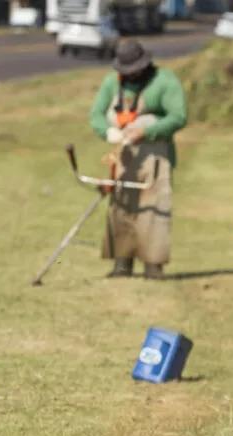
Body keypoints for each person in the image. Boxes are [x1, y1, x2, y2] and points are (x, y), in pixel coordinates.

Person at [89, 39, 187, 280]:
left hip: (155, 154)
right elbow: (96, 114)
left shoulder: (165, 81)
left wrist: (145, 131)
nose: (130, 74)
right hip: (123, 154)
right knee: (121, 207)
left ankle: (153, 265)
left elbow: (178, 116)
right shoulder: (112, 82)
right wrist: (108, 132)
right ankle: (122, 263)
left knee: (154, 208)